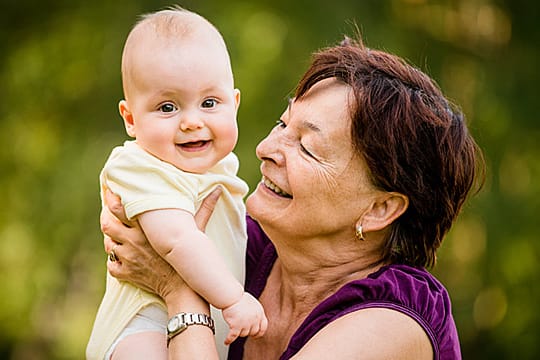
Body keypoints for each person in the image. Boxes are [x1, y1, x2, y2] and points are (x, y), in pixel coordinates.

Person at [100, 35, 484, 359]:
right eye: (283, 124)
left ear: (379, 208)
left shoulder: (396, 318)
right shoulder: (239, 247)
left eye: (307, 147)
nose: (266, 148)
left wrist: (180, 289)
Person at [86, 7, 267, 360]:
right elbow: (176, 239)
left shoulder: (220, 168)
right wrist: (234, 298)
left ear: (235, 103)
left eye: (209, 102)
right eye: (167, 107)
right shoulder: (138, 166)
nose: (191, 122)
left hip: (197, 328)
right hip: (141, 329)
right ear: (131, 118)